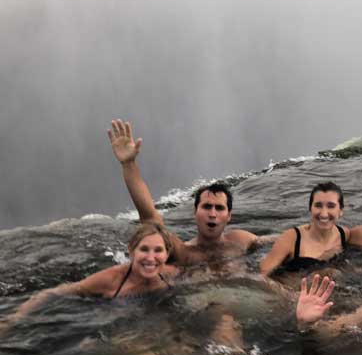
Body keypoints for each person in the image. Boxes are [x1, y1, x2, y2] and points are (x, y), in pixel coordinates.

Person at [108, 119, 268, 266]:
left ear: (229, 215)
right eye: (206, 207)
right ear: (195, 212)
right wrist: (129, 164)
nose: (212, 213)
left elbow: (282, 242)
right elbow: (149, 217)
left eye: (219, 208)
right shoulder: (182, 252)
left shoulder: (242, 241)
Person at [1, 222, 178, 329]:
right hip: (104, 315)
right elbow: (56, 292)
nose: (151, 258)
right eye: (144, 249)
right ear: (131, 252)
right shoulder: (110, 281)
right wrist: (14, 319)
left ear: (167, 254)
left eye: (158, 251)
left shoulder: (170, 274)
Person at [259, 182, 350, 277]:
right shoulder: (291, 239)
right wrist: (289, 292)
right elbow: (260, 277)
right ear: (310, 208)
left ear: (341, 211)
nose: (324, 213)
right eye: (318, 205)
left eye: (331, 206)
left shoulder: (344, 235)